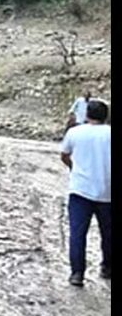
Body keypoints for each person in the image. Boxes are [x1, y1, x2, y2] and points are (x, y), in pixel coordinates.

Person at [60, 99, 111, 286]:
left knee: (77, 233)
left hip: (80, 190)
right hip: (108, 191)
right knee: (108, 233)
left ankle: (77, 273)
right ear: (106, 116)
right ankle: (107, 267)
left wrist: (75, 169)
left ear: (87, 114)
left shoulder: (75, 132)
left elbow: (64, 155)